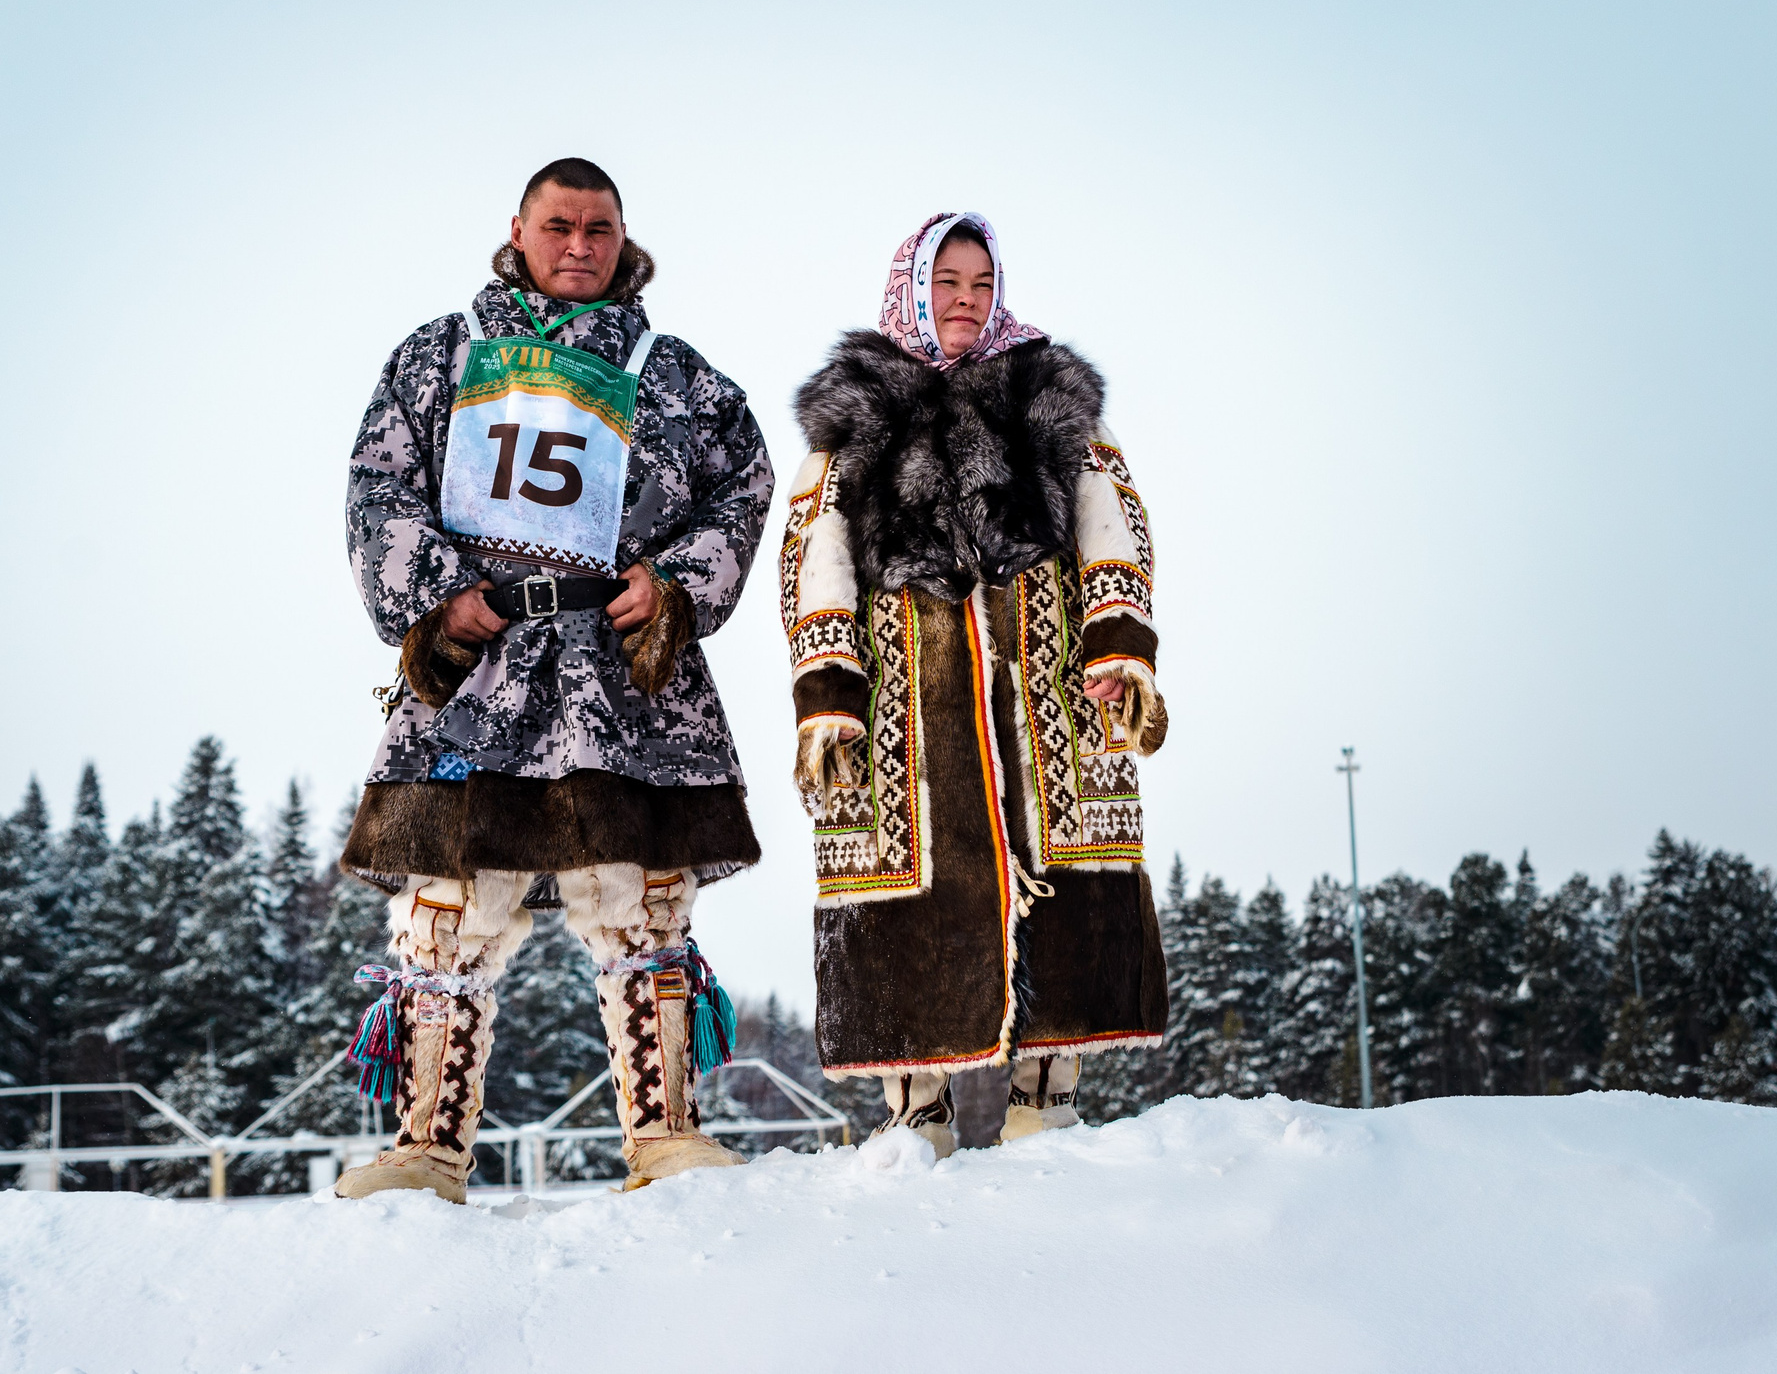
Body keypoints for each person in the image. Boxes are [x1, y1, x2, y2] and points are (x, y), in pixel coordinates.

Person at [332, 157, 773, 1200]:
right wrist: (440, 597)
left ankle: (665, 1132)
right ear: (518, 230)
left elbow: (744, 488)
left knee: (639, 898)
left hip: (622, 676)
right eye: (560, 224)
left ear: (625, 239)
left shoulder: (680, 374)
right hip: (476, 668)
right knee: (448, 903)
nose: (581, 244)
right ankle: (425, 1145)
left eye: (600, 228)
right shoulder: (440, 356)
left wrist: (673, 584)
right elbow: (376, 484)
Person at [776, 212, 1170, 1154]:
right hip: (907, 690)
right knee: (909, 881)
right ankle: (915, 1113)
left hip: (1041, 679)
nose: (963, 299)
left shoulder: (1047, 392)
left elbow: (1113, 515)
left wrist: (1118, 640)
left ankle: (1049, 1096)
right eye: (946, 281)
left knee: (1057, 865)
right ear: (913, 287)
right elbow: (811, 545)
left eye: (980, 283)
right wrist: (827, 686)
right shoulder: (858, 406)